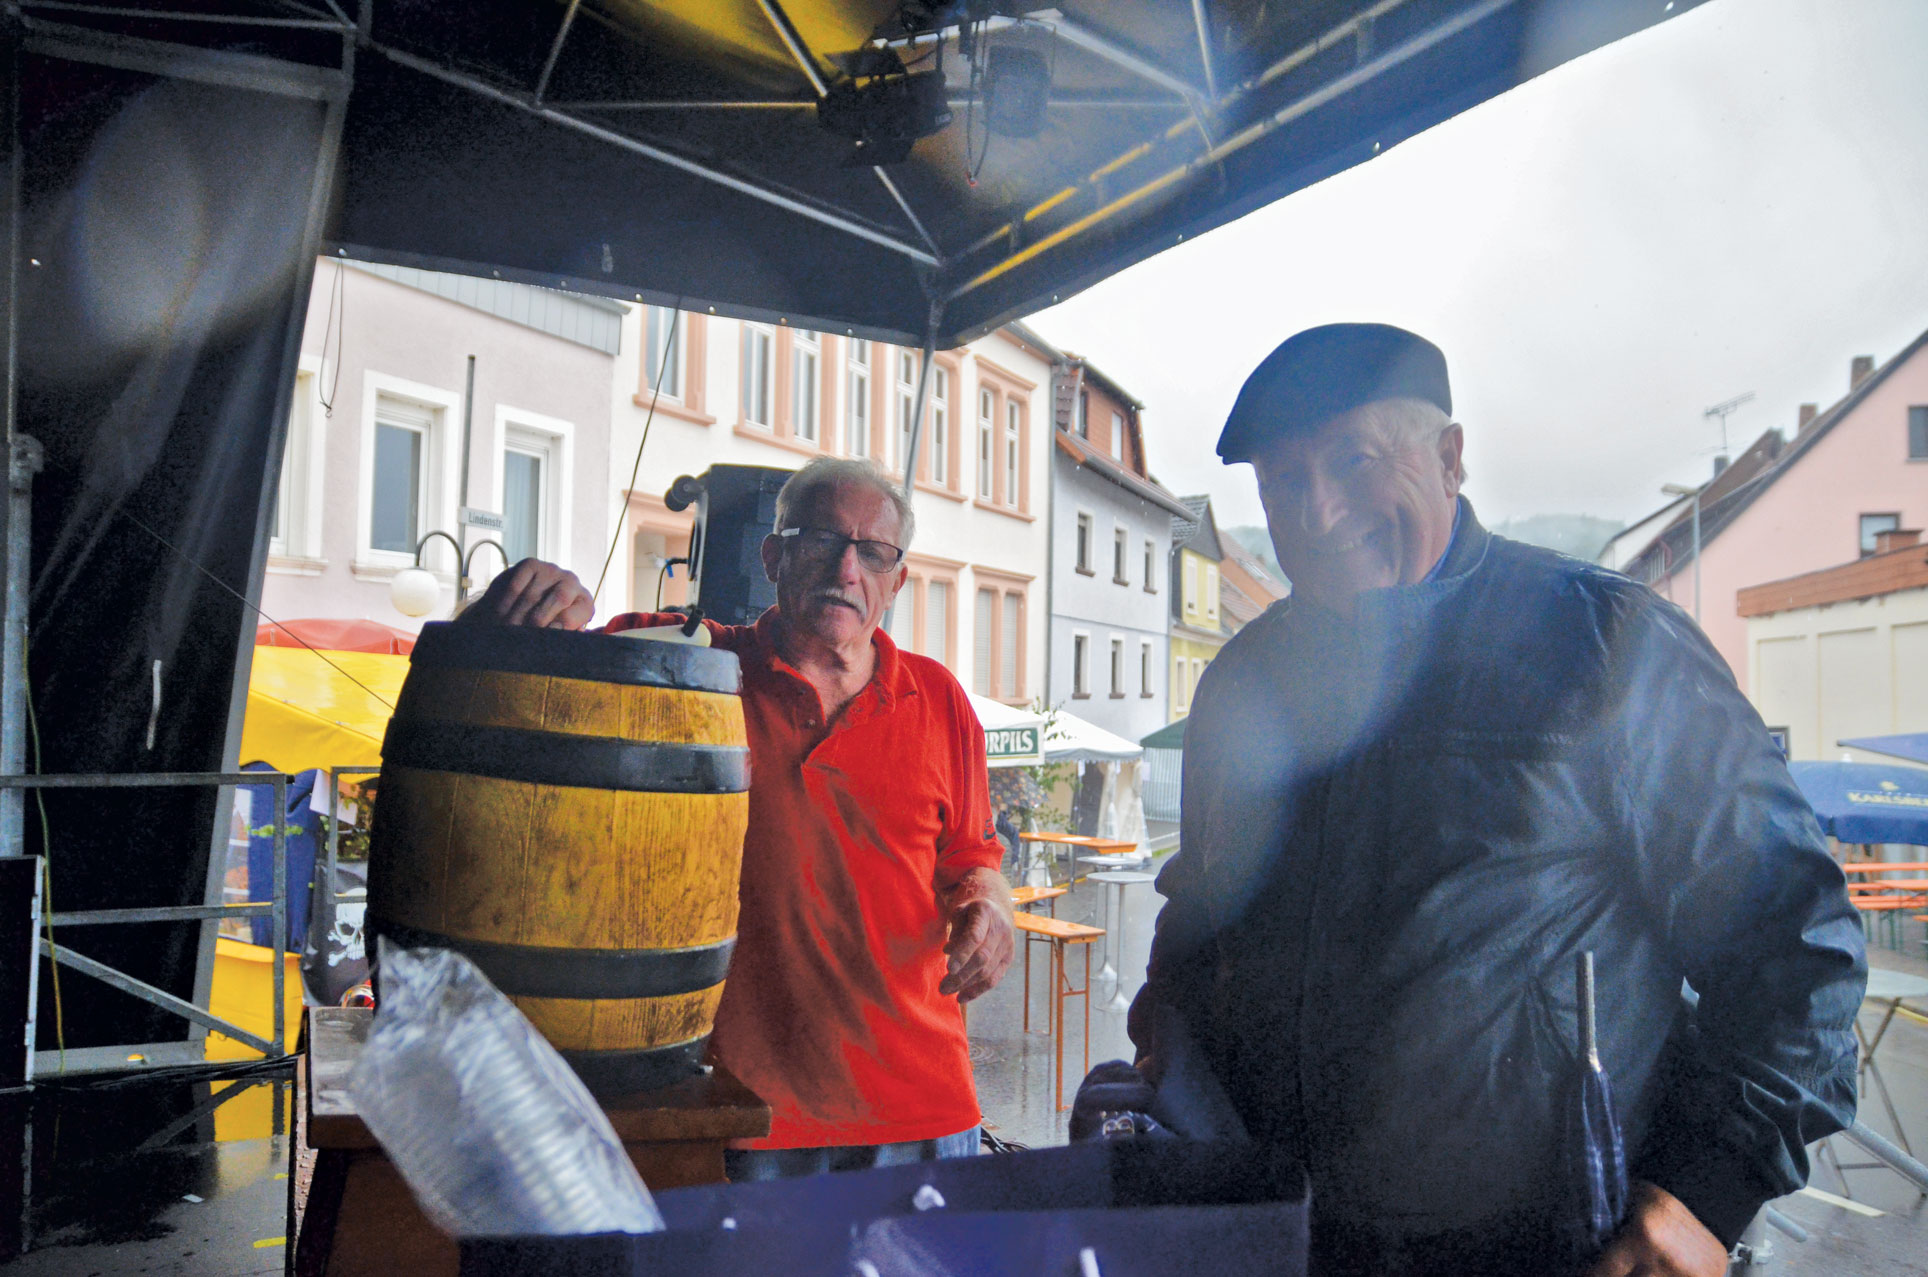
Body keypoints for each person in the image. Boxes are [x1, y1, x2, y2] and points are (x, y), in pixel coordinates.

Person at [1126, 324, 1866, 1276]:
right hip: (1282, 1237)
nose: (1317, 511)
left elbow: (1799, 943)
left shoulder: (1607, 645)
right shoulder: (1244, 681)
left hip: (1549, 1249)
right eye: (1283, 482)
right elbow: (1200, 908)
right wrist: (1168, 1032)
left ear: (1450, 458)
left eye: (1353, 461)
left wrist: (1703, 1194)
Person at [464, 456, 1015, 1178]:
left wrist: (990, 909)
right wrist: (508, 610)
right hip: (747, 1117)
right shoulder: (687, 664)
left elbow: (974, 857)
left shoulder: (939, 697)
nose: (846, 569)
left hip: (929, 1114)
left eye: (874, 552)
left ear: (898, 580)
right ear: (774, 556)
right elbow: (492, 681)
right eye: (822, 540)